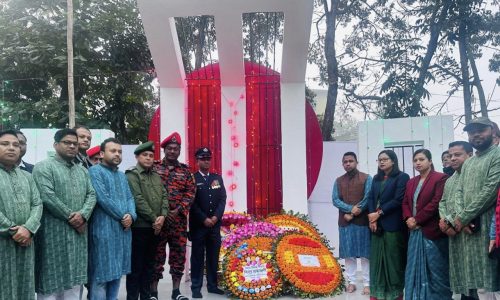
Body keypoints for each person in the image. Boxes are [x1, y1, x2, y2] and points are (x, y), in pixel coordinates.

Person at [33, 128, 97, 299]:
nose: (72, 146)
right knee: (50, 282)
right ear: (55, 145)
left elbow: (92, 194)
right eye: (67, 142)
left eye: (75, 144)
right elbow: (47, 196)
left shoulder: (82, 171)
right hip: (53, 235)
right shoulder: (43, 167)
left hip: (78, 235)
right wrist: (72, 217)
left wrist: (83, 215)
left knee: (74, 285)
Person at [444, 117, 500, 299]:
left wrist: (464, 217)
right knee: (475, 283)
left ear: (492, 130)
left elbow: (490, 191)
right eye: (471, 131)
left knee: (489, 282)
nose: (476, 134)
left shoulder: (497, 155)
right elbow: (458, 192)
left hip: (488, 226)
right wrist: (462, 217)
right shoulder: (468, 163)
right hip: (468, 230)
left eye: (481, 130)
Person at [88, 138, 137, 300]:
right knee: (101, 276)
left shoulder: (122, 176)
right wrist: (124, 215)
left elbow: (130, 198)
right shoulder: (95, 171)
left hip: (122, 232)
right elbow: (103, 198)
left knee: (116, 274)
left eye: (120, 151)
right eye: (113, 151)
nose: (117, 154)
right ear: (102, 154)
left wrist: (131, 215)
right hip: (104, 231)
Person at [151, 132, 195, 300]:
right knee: (156, 255)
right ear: (164, 150)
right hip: (158, 221)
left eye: (175, 149)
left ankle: (176, 292)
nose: (172, 151)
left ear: (179, 150)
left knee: (178, 255)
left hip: (178, 221)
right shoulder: (154, 168)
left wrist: (179, 209)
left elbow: (191, 192)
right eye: (169, 148)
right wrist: (160, 213)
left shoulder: (185, 170)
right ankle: (153, 293)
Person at [402, 149, 451, 299]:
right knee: (414, 267)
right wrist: (408, 218)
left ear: (430, 161)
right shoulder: (411, 182)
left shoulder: (440, 178)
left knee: (436, 270)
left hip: (432, 230)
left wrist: (417, 219)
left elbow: (436, 202)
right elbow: (405, 203)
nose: (418, 162)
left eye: (421, 159)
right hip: (414, 231)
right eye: (415, 160)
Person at [0, 130, 42, 300]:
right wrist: (13, 230)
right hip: (3, 244)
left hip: (26, 243)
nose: (12, 148)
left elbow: (38, 203)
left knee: (25, 287)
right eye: (5, 144)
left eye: (16, 145)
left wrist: (29, 228)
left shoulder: (27, 176)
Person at [126, 142, 169, 300]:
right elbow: (137, 200)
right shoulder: (132, 174)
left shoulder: (156, 175)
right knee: (136, 267)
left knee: (149, 267)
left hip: (156, 228)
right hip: (140, 228)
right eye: (145, 155)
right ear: (137, 157)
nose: (149, 158)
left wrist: (163, 216)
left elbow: (165, 197)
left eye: (151, 156)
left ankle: (145, 296)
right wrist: (154, 219)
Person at [367, 149, 410, 300]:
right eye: (379, 160)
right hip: (376, 226)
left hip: (393, 225)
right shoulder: (376, 178)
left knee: (393, 261)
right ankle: (377, 295)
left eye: (385, 159)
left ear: (393, 161)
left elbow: (398, 200)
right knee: (377, 261)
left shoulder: (402, 177)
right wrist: (372, 218)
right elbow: (371, 198)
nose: (382, 162)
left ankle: (395, 295)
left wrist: (377, 214)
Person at [438, 141, 475, 299]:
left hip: (471, 231)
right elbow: (443, 202)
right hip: (453, 233)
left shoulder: (474, 176)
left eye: (457, 155)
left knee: (474, 274)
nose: (452, 159)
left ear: (470, 155)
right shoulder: (450, 180)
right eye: (450, 155)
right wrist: (446, 223)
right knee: (460, 272)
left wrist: (461, 220)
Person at [332, 151, 372, 295]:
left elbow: (368, 198)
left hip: (362, 222)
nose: (348, 163)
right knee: (349, 254)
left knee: (366, 254)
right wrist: (350, 209)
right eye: (345, 162)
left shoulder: (367, 178)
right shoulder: (338, 180)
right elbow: (335, 200)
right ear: (343, 164)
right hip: (345, 223)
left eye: (350, 161)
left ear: (356, 162)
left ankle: (367, 283)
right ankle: (352, 282)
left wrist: (355, 211)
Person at [190, 147, 227, 298]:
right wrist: (204, 218)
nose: (206, 161)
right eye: (202, 158)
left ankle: (212, 285)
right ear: (197, 160)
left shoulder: (217, 178)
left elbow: (222, 199)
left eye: (208, 158)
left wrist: (215, 218)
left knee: (213, 255)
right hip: (199, 225)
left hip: (214, 225)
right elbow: (191, 202)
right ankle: (196, 287)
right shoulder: (192, 178)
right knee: (198, 257)